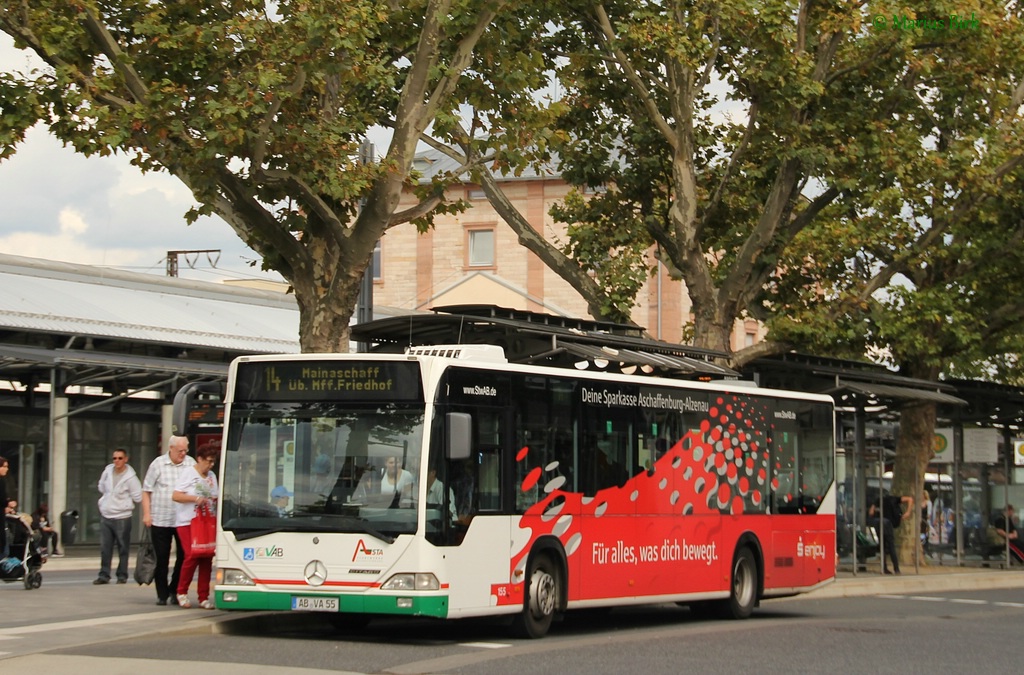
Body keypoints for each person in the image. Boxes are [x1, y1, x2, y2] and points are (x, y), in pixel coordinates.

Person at [142, 435, 197, 606]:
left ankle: (175, 590)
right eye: (180, 450)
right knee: (162, 558)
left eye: (185, 450)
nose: (183, 453)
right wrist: (146, 514)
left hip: (183, 520)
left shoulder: (190, 463)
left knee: (184, 557)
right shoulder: (158, 464)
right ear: (171, 448)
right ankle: (162, 594)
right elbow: (146, 490)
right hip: (160, 519)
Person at [171, 443, 219, 609]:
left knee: (206, 556)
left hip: (206, 521)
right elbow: (176, 495)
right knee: (192, 555)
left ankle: (203, 596)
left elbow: (215, 496)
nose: (210, 465)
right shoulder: (189, 473)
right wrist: (195, 499)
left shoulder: (212, 476)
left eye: (213, 462)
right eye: (208, 461)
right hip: (188, 521)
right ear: (199, 459)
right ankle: (181, 591)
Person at [95, 448, 143, 585]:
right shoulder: (107, 471)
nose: (117, 461)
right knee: (105, 548)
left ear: (126, 459)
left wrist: (124, 503)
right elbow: (101, 487)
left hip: (123, 516)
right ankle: (104, 575)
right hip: (106, 515)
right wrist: (105, 501)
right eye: (114, 458)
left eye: (120, 458)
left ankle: (122, 575)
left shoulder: (131, 478)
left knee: (123, 547)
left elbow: (138, 496)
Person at [866, 492, 914, 575]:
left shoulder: (878, 500)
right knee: (891, 545)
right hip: (887, 523)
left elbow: (871, 512)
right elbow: (910, 499)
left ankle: (884, 568)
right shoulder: (895, 499)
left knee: (882, 546)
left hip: (878, 522)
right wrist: (908, 512)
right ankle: (896, 568)